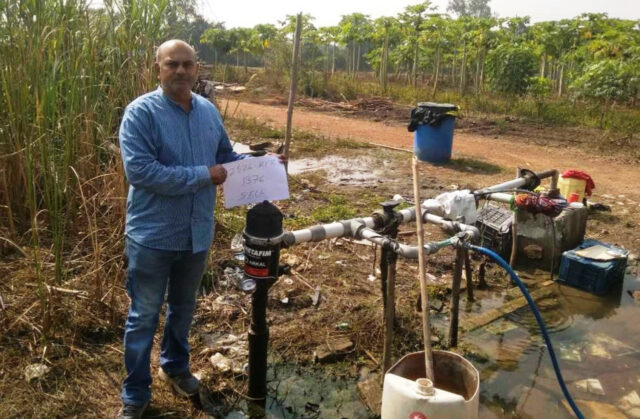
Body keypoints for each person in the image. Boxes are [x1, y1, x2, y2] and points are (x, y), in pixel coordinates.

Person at [117, 40, 284, 419]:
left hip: (196, 233)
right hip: (153, 235)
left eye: (187, 64)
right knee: (144, 315)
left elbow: (225, 157)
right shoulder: (141, 113)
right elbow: (140, 171)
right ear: (157, 68)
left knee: (183, 307)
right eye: (172, 64)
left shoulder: (208, 111)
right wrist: (203, 175)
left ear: (197, 69)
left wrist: (265, 165)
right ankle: (136, 394)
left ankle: (175, 367)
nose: (180, 70)